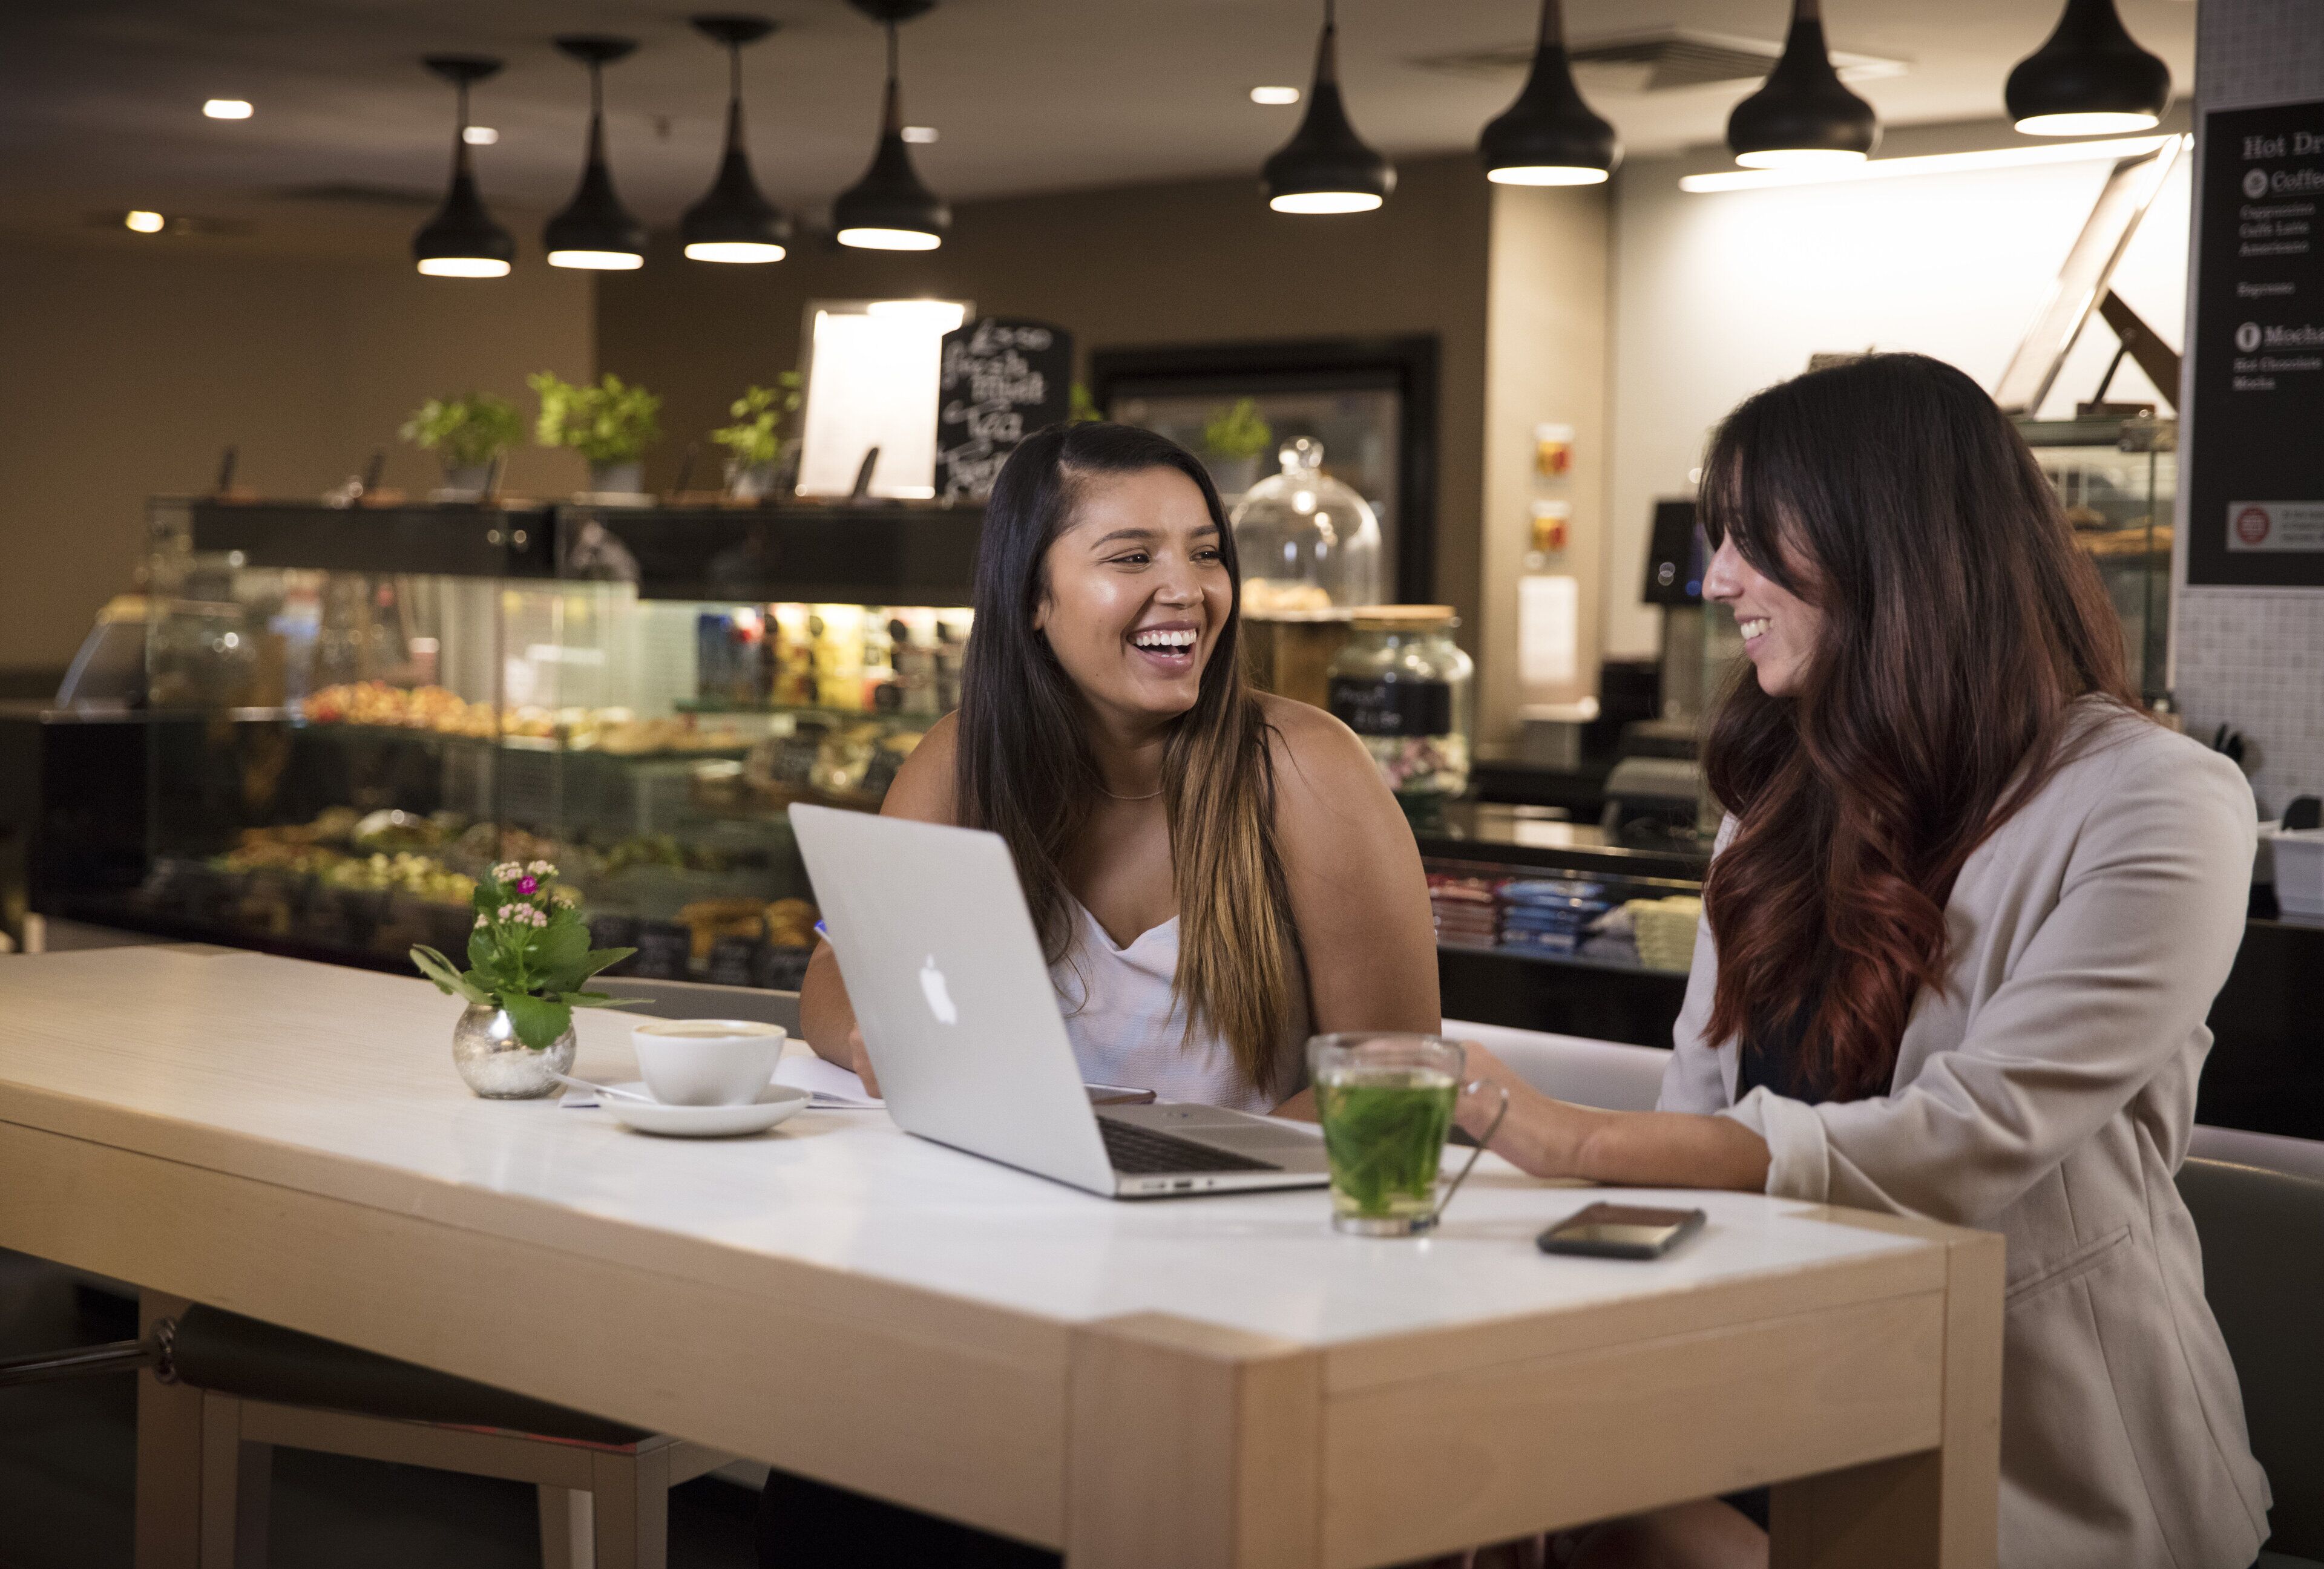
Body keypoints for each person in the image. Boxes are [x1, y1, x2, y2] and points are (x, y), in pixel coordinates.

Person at [1452, 355, 2271, 1569]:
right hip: (1781, 1397)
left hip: (2031, 1474)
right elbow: (1704, 1107)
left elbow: (1970, 1135)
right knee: (1480, 1484)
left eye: (1749, 537)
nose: (1716, 575)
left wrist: (1578, 1141)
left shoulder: (2161, 800)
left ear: (1889, 542)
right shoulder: (1778, 798)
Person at [760, 420, 1438, 1566]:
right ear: (1033, 597)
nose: (1187, 588)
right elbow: (836, 976)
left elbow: (1393, 1091)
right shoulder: (962, 760)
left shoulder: (1305, 771)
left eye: (1206, 551)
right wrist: (905, 1042)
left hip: (1238, 1296)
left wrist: (1179, 1187)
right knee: (838, 1472)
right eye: (1132, 556)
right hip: (1005, 1275)